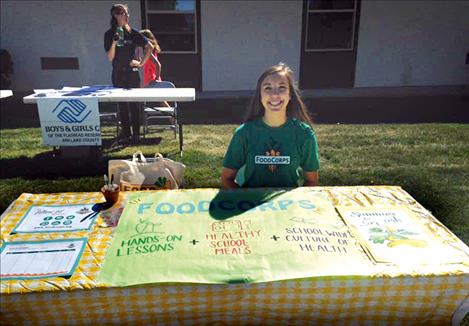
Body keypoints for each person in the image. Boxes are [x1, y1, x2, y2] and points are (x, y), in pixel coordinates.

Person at [221, 63, 320, 189]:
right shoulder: (244, 133)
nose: (274, 94)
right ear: (260, 96)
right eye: (268, 88)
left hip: (288, 206)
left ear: (290, 95)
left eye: (282, 87)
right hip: (252, 205)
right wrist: (246, 201)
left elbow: (312, 182)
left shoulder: (304, 134)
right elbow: (226, 179)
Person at [104, 3, 154, 143]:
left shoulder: (132, 33)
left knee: (135, 105)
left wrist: (141, 64)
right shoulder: (109, 34)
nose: (127, 16)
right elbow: (110, 57)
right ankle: (126, 133)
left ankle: (136, 134)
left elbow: (149, 47)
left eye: (127, 13)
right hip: (118, 73)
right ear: (116, 15)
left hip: (132, 73)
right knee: (122, 105)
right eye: (123, 13)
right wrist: (114, 42)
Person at [139, 29, 170, 107]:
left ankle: (172, 117)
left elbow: (158, 65)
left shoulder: (148, 51)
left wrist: (156, 79)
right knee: (161, 100)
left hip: (151, 78)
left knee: (161, 100)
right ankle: (172, 117)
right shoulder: (147, 50)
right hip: (147, 77)